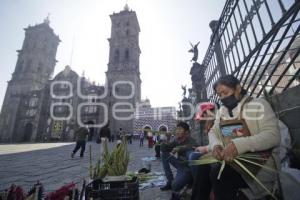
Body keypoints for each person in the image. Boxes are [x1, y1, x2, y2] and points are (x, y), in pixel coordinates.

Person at [208, 75, 280, 200]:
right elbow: (212, 132)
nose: (223, 98)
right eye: (219, 95)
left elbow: (272, 135)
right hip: (231, 159)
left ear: (238, 89)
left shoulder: (258, 105)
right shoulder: (222, 112)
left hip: (258, 164)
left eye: (225, 92)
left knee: (219, 174)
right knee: (202, 167)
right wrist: (216, 145)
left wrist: (239, 145)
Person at [160, 121, 198, 200]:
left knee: (175, 185)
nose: (177, 131)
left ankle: (190, 182)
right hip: (180, 165)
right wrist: (166, 141)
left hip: (188, 168)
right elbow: (165, 149)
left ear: (186, 132)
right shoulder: (176, 140)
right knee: (164, 154)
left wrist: (181, 148)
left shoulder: (192, 141)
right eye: (177, 129)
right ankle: (170, 181)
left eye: (180, 129)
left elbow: (193, 148)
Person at [189, 102, 216, 200]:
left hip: (222, 154)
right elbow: (214, 144)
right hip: (214, 152)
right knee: (194, 156)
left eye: (204, 115)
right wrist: (205, 148)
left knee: (196, 158)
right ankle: (198, 186)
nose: (203, 119)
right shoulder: (210, 125)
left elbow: (220, 144)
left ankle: (203, 188)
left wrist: (205, 148)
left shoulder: (218, 122)